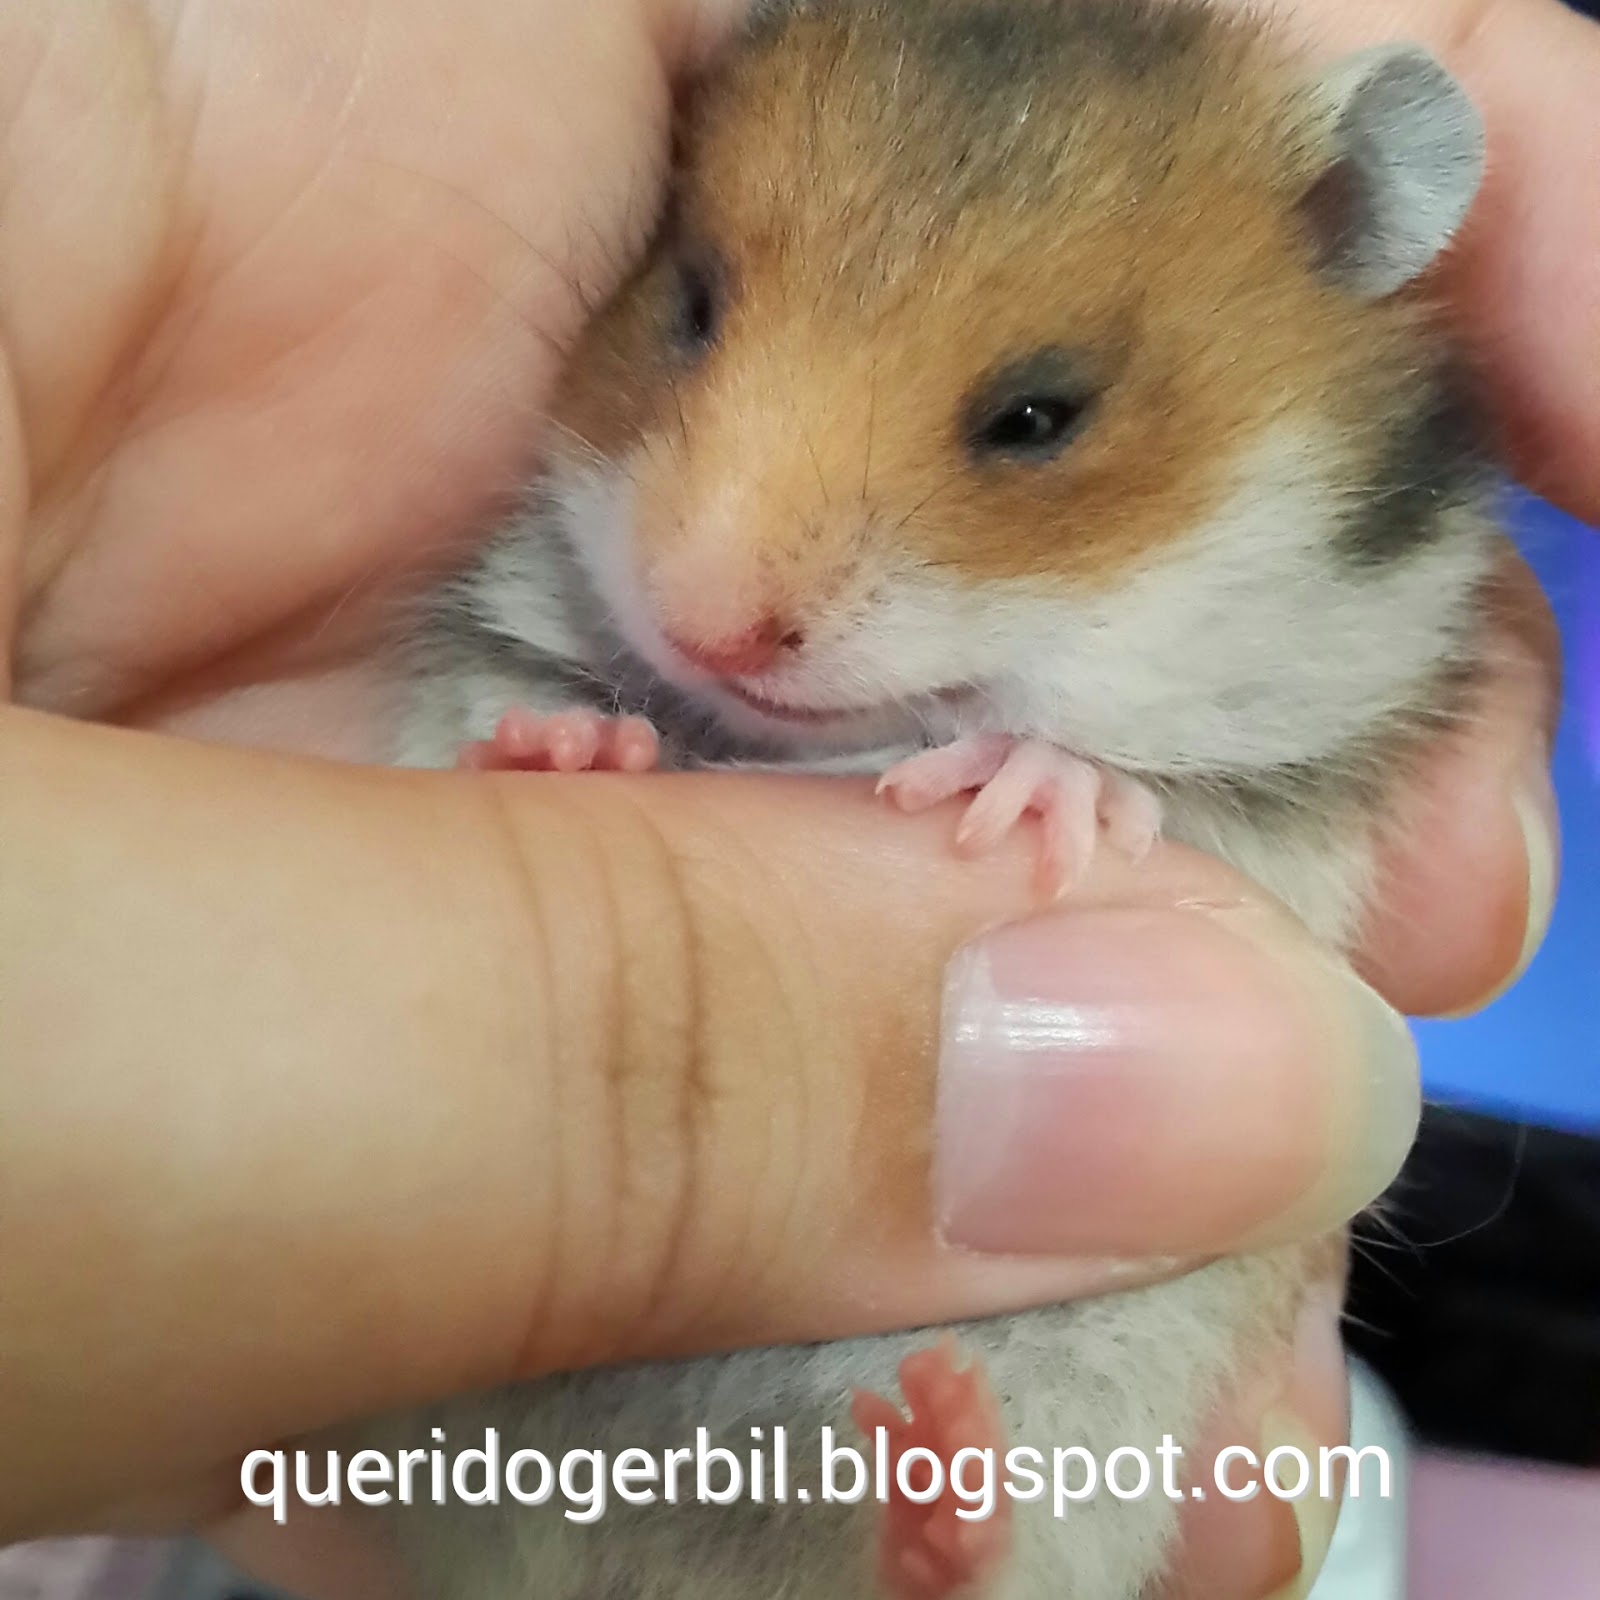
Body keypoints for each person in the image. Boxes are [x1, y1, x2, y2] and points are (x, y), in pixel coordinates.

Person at [0, 0, 1591, 1595]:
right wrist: (541, 776)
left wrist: (1116, 786)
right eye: (701, 317)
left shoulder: (1332, 602)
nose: (716, 597)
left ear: (1349, 216)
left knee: (1115, 1352)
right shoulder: (581, 515)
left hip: (954, 1392)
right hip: (484, 1412)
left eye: (1026, 424)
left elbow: (1281, 857)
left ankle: (949, 1553)